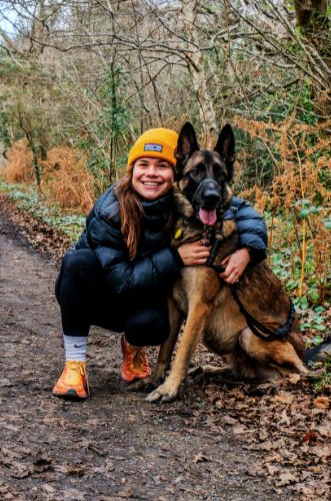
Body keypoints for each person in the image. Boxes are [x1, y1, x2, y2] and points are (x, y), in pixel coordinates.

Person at [52, 127, 268, 400]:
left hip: (134, 295)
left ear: (174, 173)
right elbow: (121, 282)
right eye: (143, 165)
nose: (152, 173)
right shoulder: (111, 208)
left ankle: (133, 350)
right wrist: (176, 257)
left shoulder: (180, 199)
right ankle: (74, 364)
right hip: (94, 293)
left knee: (157, 322)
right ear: (132, 170)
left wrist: (248, 250)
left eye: (161, 166)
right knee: (78, 262)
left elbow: (244, 212)